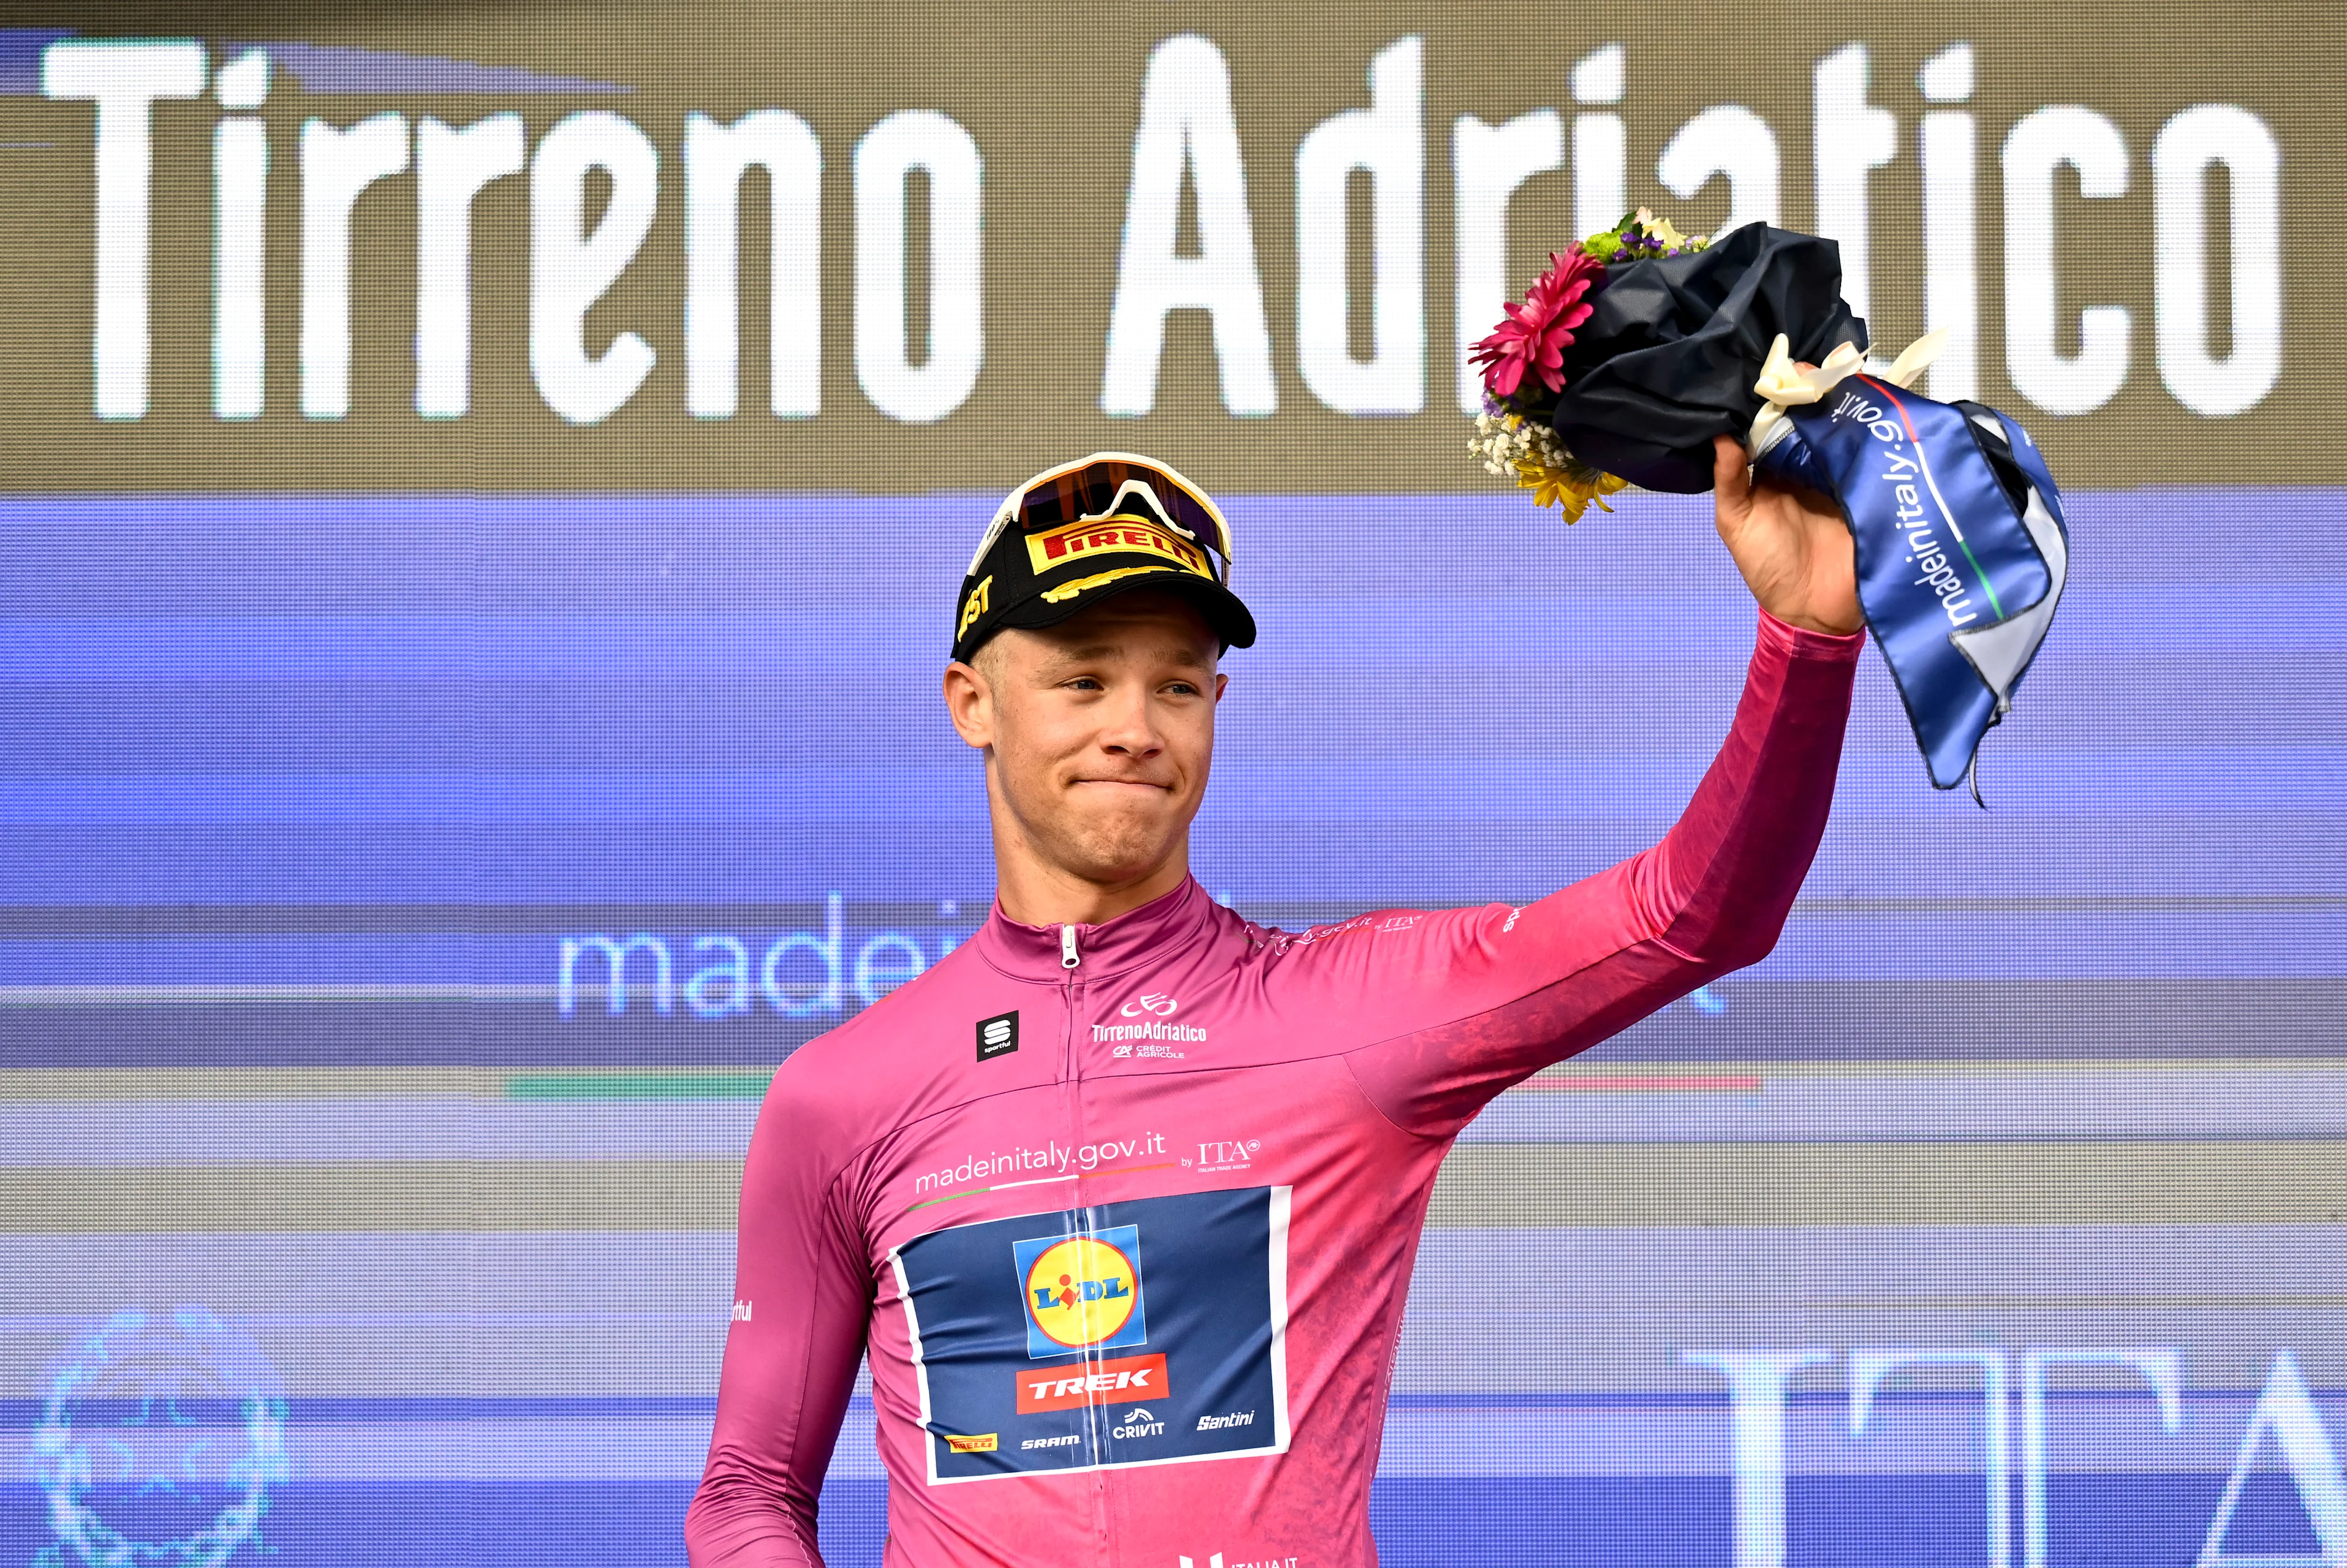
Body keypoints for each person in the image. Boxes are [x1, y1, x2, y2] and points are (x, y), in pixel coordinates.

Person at [686, 440, 1865, 1566]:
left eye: (1177, 686)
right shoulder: (842, 1096)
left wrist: (1807, 639)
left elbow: (1692, 916)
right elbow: (748, 1494)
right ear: (972, 703)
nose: (1134, 730)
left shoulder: (1347, 1010)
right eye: (1082, 679)